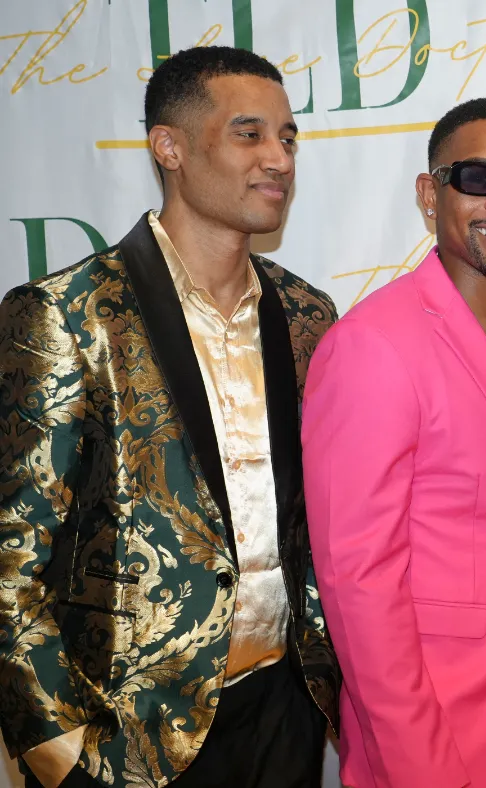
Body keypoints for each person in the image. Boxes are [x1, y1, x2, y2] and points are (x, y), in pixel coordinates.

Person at [0, 46, 341, 788]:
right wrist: (62, 753)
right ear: (169, 147)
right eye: (249, 134)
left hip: (287, 710)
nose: (279, 158)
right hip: (124, 738)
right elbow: (11, 559)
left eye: (288, 137)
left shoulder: (308, 315)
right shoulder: (68, 314)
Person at [301, 97, 486, 788]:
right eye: (479, 178)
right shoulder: (372, 345)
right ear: (431, 195)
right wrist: (421, 765)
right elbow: (358, 586)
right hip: (436, 741)